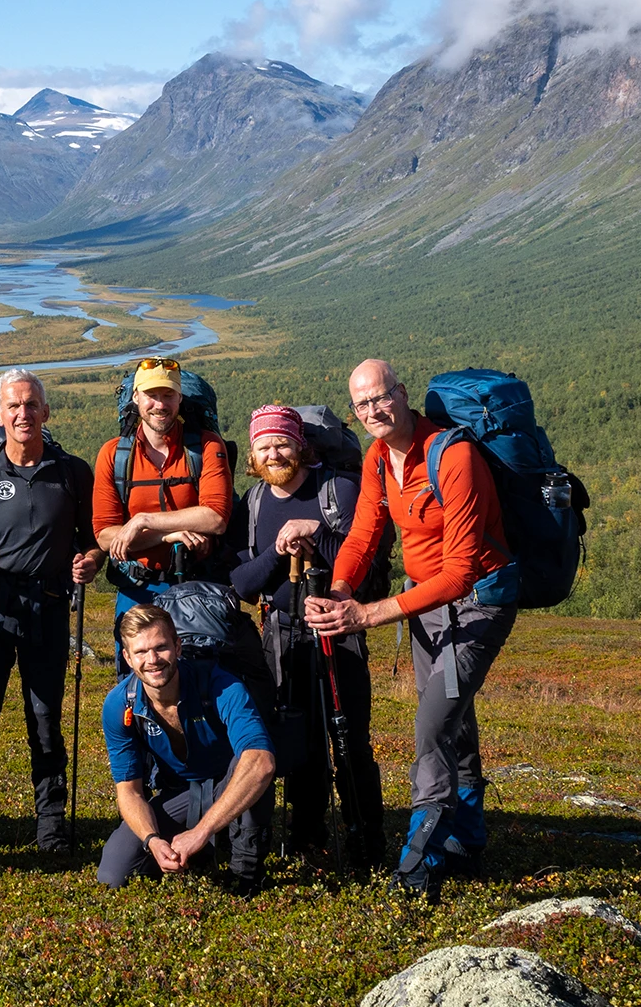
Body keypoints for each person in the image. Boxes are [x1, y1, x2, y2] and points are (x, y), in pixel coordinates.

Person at [307, 359, 517, 900]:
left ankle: (418, 859)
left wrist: (369, 614)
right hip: (425, 609)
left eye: (381, 398)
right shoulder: (380, 457)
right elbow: (363, 536)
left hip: (476, 605)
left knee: (430, 725)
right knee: (453, 718)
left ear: (402, 394)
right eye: (362, 405)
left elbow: (461, 571)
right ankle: (467, 838)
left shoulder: (454, 456)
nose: (374, 411)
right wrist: (340, 591)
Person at [0, 369, 104, 853]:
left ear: (46, 411)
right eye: (13, 406)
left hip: (50, 609)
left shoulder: (73, 472)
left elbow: (94, 540)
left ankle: (51, 826)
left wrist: (91, 562)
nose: (22, 414)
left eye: (31, 404)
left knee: (45, 718)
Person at [228, 405, 386, 871]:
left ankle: (366, 842)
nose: (273, 453)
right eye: (264, 446)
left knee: (350, 740)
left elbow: (373, 574)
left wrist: (318, 535)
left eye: (282, 443)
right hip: (282, 635)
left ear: (301, 446)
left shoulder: (339, 492)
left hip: (339, 632)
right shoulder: (254, 503)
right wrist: (279, 552)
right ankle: (308, 837)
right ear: (253, 455)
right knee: (297, 738)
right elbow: (241, 583)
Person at [97, 604, 275, 892]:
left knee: (251, 764)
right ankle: (202, 843)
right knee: (114, 874)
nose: (152, 660)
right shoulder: (120, 704)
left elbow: (261, 762)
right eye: (140, 652)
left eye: (161, 647)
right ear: (127, 658)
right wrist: (151, 840)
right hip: (179, 792)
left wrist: (201, 832)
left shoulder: (221, 685)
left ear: (178, 647)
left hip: (228, 783)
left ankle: (245, 866)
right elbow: (128, 790)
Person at [91, 358, 234, 658]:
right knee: (139, 675)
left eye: (168, 395)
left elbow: (216, 517)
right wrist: (169, 534)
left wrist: (142, 522)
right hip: (137, 588)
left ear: (180, 398)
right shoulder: (113, 454)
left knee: (203, 678)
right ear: (136, 398)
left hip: (198, 585)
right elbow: (106, 536)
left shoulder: (207, 446)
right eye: (151, 395)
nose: (160, 404)